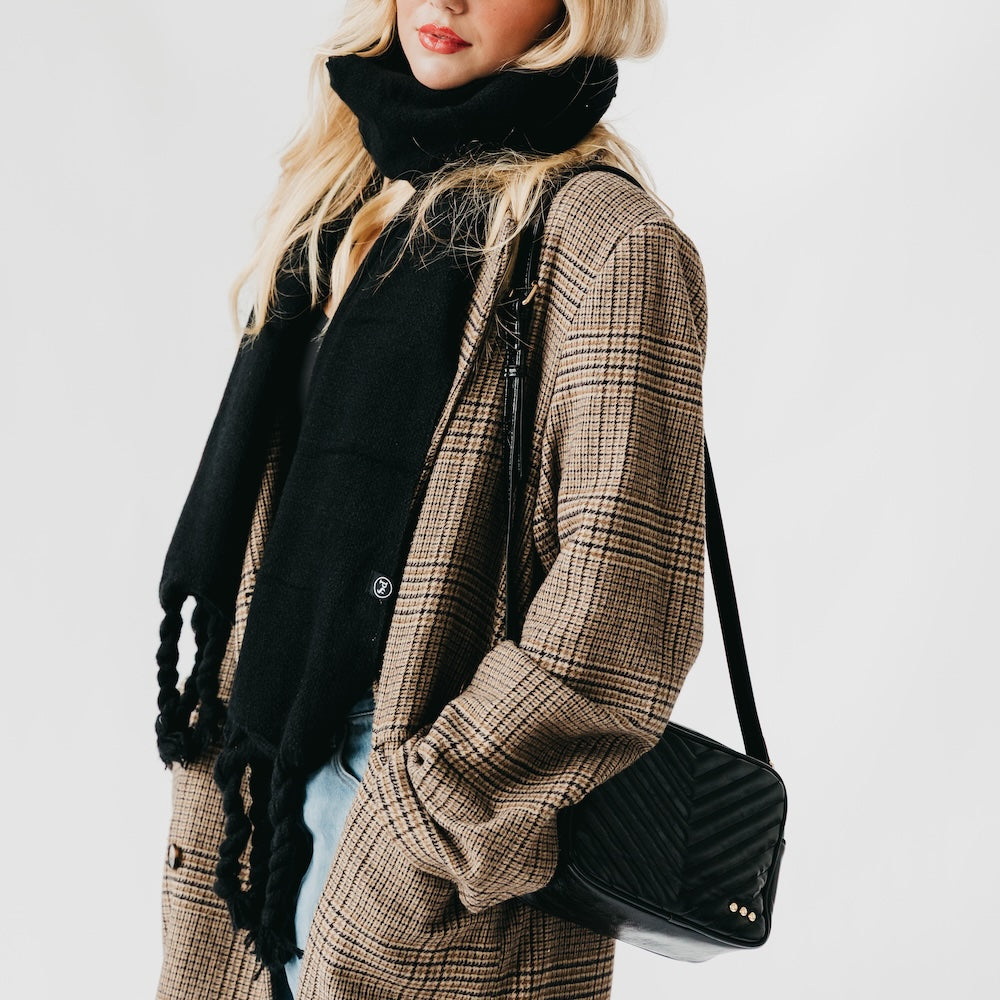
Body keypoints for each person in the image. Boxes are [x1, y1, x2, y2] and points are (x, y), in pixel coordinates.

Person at [154, 1, 709, 998]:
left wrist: (415, 826)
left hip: (428, 836)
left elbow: (620, 621)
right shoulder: (349, 190)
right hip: (258, 792)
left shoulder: (609, 240)